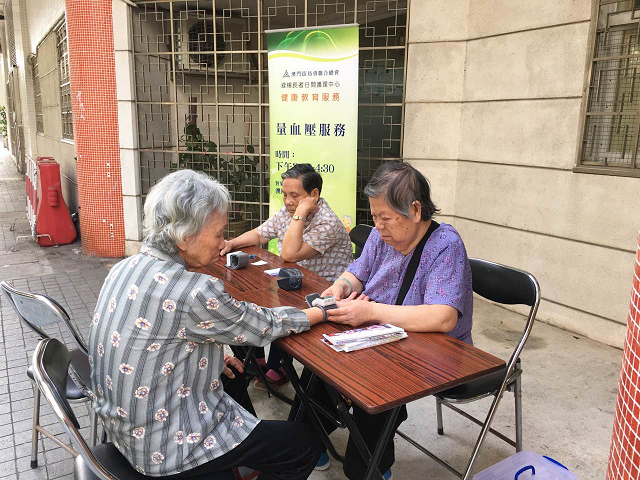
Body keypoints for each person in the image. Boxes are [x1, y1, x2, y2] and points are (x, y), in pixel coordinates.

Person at [88, 170, 325, 479]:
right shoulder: (193, 291)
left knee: (233, 373)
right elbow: (260, 325)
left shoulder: (125, 267)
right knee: (304, 444)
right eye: (218, 234)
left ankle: (242, 460)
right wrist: (318, 313)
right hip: (165, 448)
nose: (222, 243)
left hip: (124, 430)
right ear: (185, 237)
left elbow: (153, 339)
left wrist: (208, 360)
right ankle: (234, 457)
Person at [305, 161, 474, 479]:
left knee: (374, 387)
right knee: (321, 364)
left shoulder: (445, 244)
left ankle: (371, 467)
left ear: (415, 210)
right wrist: (340, 287)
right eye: (374, 217)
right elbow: (358, 272)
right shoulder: (381, 235)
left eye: (385, 218)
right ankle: (308, 442)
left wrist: (370, 312)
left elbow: (443, 317)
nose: (379, 227)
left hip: (431, 349)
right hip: (381, 334)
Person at [221, 163, 352, 390]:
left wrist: (300, 213)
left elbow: (290, 254)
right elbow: (261, 234)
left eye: (295, 195)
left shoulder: (327, 222)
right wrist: (231, 243)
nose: (288, 201)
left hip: (321, 292)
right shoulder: (288, 210)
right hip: (292, 282)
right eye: (284, 194)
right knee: (238, 303)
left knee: (279, 313)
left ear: (313, 195)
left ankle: (280, 367)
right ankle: (256, 361)